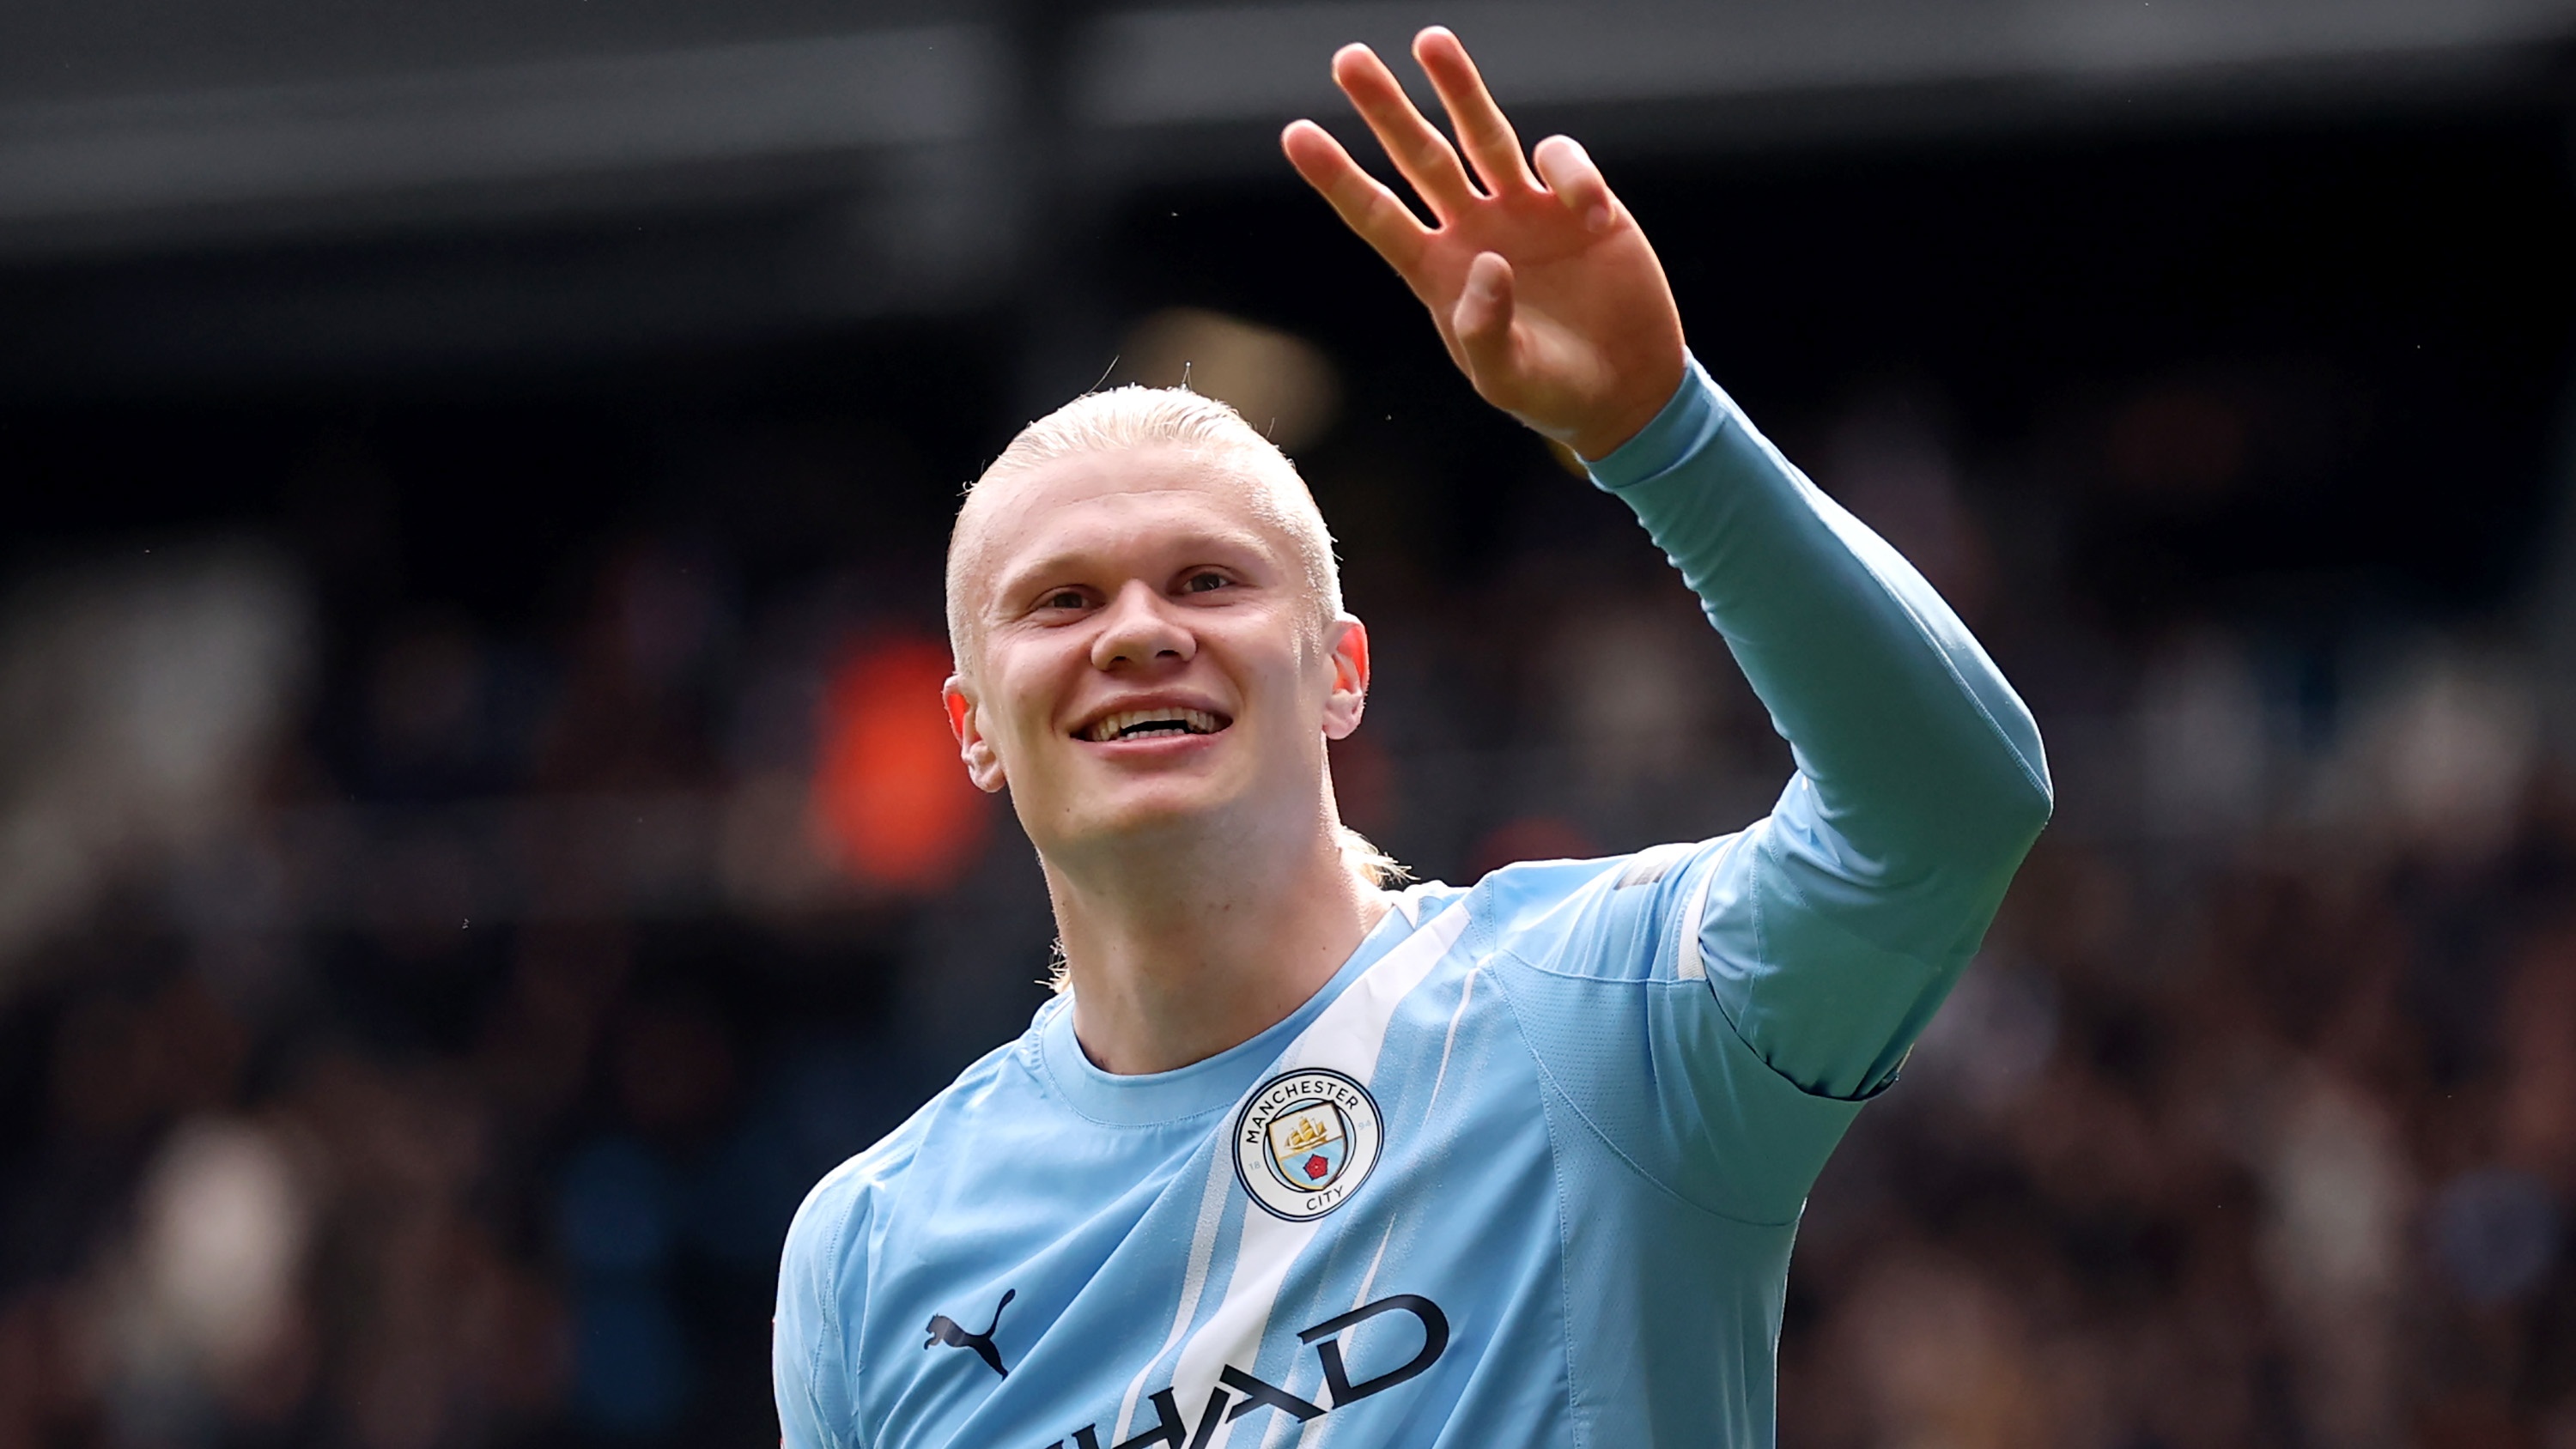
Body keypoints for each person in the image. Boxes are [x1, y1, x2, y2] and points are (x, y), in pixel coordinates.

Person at [775, 26, 2051, 1449]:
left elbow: (1945, 816)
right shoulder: (872, 1255)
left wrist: (1664, 436)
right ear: (973, 732)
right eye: (1062, 599)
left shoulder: (1594, 1013)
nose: (1135, 630)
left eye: (1209, 580)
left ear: (1343, 677)